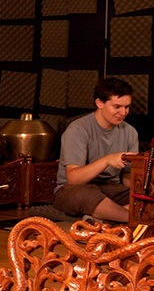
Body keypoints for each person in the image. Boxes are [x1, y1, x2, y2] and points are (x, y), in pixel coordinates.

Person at [53, 77, 138, 223]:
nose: (123, 112)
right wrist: (106, 160)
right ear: (99, 103)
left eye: (127, 107)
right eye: (117, 107)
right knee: (86, 195)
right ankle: (134, 219)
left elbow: (126, 177)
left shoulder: (130, 132)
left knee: (146, 197)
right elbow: (73, 179)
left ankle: (102, 217)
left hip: (110, 189)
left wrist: (140, 191)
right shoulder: (78, 130)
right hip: (73, 189)